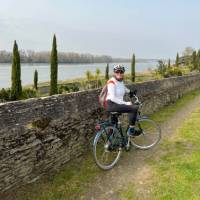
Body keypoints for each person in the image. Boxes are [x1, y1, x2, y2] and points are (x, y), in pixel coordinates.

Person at [105, 64, 140, 136]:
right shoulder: (111, 82)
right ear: (114, 73)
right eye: (117, 72)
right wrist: (125, 103)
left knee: (113, 124)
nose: (119, 74)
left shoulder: (120, 82)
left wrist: (131, 92)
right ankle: (131, 131)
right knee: (134, 108)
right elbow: (112, 97)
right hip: (111, 104)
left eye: (121, 72)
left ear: (123, 73)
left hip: (116, 104)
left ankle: (109, 143)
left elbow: (124, 88)